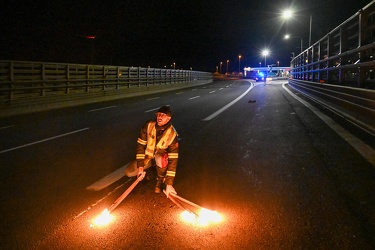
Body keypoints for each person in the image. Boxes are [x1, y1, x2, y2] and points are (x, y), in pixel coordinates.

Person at [124, 105, 179, 197]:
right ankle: (149, 172)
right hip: (148, 156)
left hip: (160, 158)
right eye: (159, 114)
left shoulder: (172, 134)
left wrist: (169, 184)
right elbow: (140, 146)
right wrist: (140, 167)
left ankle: (160, 180)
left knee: (160, 158)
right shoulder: (149, 125)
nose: (159, 117)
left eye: (163, 115)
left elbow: (173, 159)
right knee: (129, 172)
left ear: (168, 119)